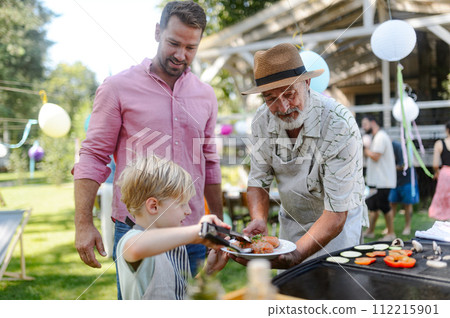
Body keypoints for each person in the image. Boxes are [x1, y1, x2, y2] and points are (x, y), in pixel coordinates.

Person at [73, 1, 223, 299]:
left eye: (191, 47)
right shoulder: (117, 87)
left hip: (192, 231)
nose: (181, 55)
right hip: (136, 231)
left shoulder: (206, 95)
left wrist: (218, 229)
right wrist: (83, 223)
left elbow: (209, 163)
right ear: (157, 32)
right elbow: (93, 156)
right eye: (173, 43)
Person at [235, 43, 367, 269]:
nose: (283, 106)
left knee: (336, 291)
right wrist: (258, 218)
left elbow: (335, 215)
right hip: (292, 223)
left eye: (289, 93)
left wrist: (296, 256)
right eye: (270, 98)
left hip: (338, 227)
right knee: (291, 294)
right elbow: (258, 179)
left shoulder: (338, 124)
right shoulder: (261, 121)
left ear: (306, 83)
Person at [116, 155, 228, 299]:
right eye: (182, 204)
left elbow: (181, 294)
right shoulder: (131, 240)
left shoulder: (175, 245)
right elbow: (136, 247)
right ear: (154, 206)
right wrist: (197, 232)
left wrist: (209, 270)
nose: (188, 210)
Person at [361, 115, 396, 241]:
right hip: (375, 180)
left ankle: (391, 233)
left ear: (373, 123)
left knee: (384, 205)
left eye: (365, 124)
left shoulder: (381, 136)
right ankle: (370, 231)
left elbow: (376, 156)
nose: (363, 127)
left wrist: (365, 149)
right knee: (373, 206)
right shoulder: (375, 137)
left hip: (384, 181)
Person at [388, 140, 419, 236]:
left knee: (407, 204)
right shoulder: (387, 147)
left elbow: (403, 165)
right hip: (395, 181)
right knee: (392, 203)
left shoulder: (397, 147)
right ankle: (389, 227)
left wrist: (389, 168)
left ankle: (407, 227)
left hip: (407, 181)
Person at [428, 121, 450, 220]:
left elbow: (435, 164)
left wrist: (437, 172)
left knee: (443, 197)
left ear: (447, 130)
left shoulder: (439, 143)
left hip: (445, 173)